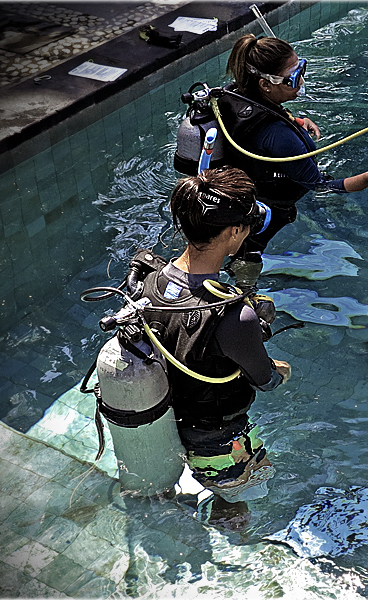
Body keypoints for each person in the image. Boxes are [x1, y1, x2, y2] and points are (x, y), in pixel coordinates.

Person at [131, 166, 291, 499]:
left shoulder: (151, 279)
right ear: (234, 231)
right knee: (241, 501)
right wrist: (278, 370)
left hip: (169, 421)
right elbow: (267, 382)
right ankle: (225, 517)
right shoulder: (234, 317)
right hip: (217, 441)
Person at [211, 34, 368, 288]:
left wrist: (295, 121)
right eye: (294, 78)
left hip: (241, 197)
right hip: (259, 223)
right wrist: (364, 179)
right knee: (245, 277)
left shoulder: (240, 95)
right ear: (266, 84)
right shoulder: (280, 138)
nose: (302, 81)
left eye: (301, 68)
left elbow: (266, 120)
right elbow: (320, 188)